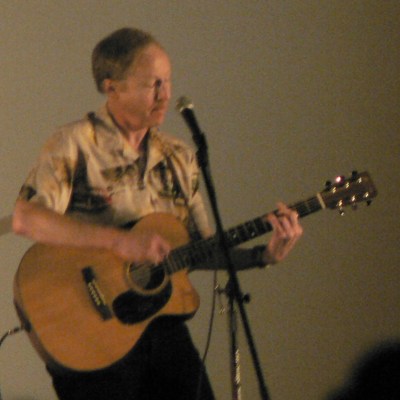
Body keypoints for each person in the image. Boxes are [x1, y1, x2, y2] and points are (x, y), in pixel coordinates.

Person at [12, 27, 303, 400]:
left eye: (168, 82)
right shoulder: (74, 144)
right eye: (153, 85)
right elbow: (27, 219)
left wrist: (263, 255)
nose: (165, 95)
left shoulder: (178, 156)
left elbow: (200, 248)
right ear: (112, 87)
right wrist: (118, 242)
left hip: (159, 325)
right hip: (90, 335)